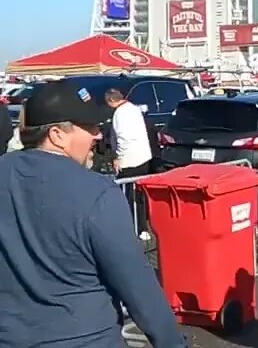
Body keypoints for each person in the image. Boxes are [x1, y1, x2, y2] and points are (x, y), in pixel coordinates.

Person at [0, 81, 187, 347]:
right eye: (89, 127)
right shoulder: (97, 193)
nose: (98, 135)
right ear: (57, 134)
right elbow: (137, 285)